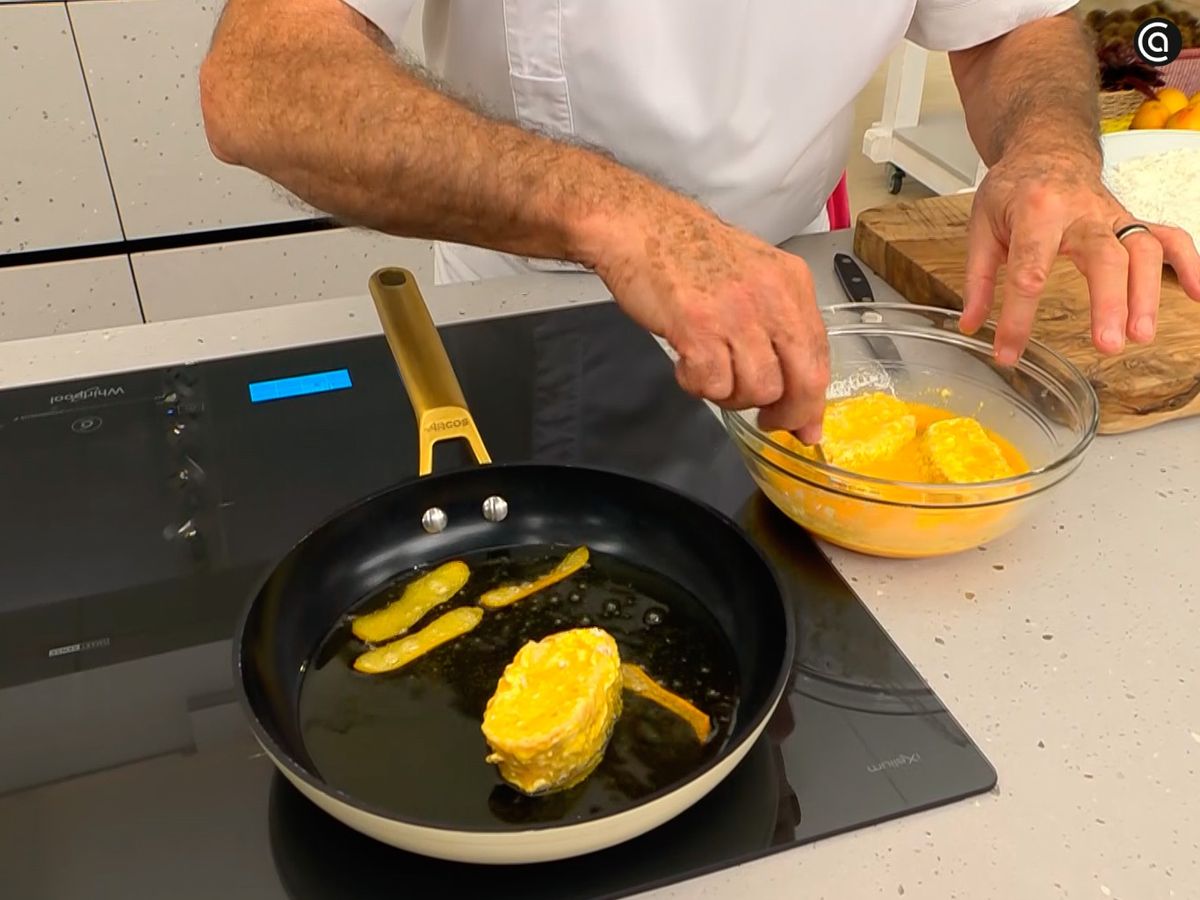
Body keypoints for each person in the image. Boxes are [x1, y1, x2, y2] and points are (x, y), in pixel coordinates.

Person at [199, 0, 1200, 444]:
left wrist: (1051, 150)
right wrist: (620, 214)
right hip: (535, 306)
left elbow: (1013, 24)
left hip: (799, 275)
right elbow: (262, 80)